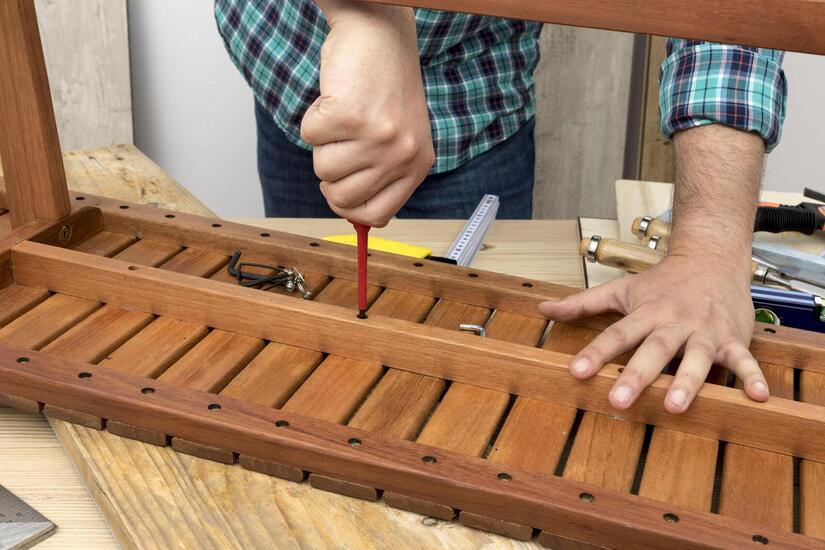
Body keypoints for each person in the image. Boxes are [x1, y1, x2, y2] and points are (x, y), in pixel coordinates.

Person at [215, 0, 787, 413]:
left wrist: (711, 244)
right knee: (296, 359)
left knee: (454, 402)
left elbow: (731, 20)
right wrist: (366, 13)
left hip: (469, 92)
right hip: (285, 54)